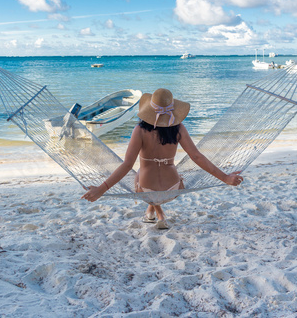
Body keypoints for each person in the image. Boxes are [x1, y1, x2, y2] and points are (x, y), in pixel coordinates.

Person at [82, 88, 243, 229]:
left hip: (145, 190)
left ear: (149, 110)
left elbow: (126, 165)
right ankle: (155, 212)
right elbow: (196, 156)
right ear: (172, 110)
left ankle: (155, 212)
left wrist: (101, 189)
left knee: (138, 173)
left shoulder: (139, 130)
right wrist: (226, 178)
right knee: (173, 175)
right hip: (173, 189)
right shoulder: (178, 128)